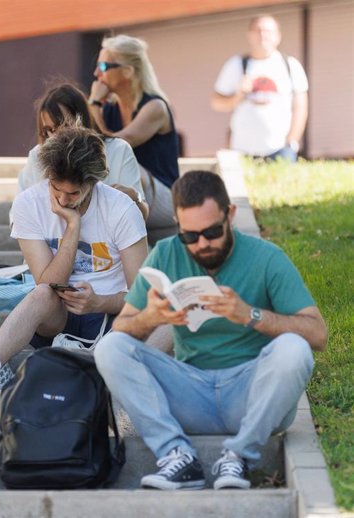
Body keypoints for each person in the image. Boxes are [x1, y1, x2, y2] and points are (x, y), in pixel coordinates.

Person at [94, 170, 327, 490]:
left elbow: (317, 334)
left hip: (251, 397)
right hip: (190, 393)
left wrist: (250, 314)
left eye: (212, 232)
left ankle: (240, 456)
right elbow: (121, 329)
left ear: (230, 215)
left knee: (295, 348)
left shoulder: (267, 258)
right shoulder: (166, 254)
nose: (202, 244)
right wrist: (150, 317)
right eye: (190, 236)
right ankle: (177, 456)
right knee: (110, 348)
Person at [0, 125, 148, 390]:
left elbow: (142, 296)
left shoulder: (122, 209)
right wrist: (73, 227)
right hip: (55, 316)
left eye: (75, 193)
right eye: (57, 189)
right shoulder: (28, 204)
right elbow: (49, 282)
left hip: (110, 316)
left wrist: (98, 302)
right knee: (41, 293)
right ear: (47, 176)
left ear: (93, 182)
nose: (64, 200)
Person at [88, 34, 179, 243]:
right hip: (132, 196)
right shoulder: (108, 108)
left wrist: (93, 104)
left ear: (128, 71)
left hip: (165, 201)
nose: (96, 73)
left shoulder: (155, 107)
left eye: (103, 66)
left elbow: (117, 144)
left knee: (123, 160)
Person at [18, 82, 149, 221]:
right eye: (49, 130)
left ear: (83, 119)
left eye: (65, 126)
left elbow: (141, 215)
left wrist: (134, 198)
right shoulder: (38, 155)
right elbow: (18, 216)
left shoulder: (118, 150)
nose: (57, 135)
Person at [211, 15, 308, 162]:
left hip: (280, 150)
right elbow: (216, 103)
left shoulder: (290, 65)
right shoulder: (236, 64)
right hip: (241, 150)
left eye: (268, 31)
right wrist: (238, 96)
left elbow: (301, 107)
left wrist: (291, 141)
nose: (263, 35)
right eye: (258, 31)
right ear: (249, 35)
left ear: (278, 36)